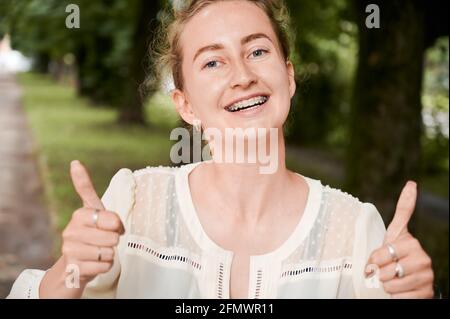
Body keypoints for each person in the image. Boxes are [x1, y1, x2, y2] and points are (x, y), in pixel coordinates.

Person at [7, 0, 434, 299]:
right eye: (213, 61)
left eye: (258, 51)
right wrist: (70, 270)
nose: (243, 75)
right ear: (186, 104)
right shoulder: (133, 207)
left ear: (288, 77)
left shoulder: (356, 230)